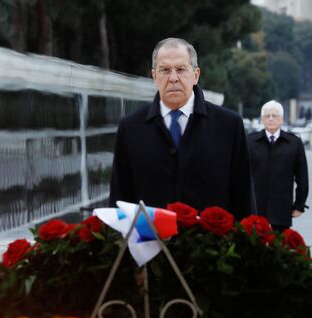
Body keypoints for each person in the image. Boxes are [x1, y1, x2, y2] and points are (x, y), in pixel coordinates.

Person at [109, 37, 253, 219]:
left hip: (213, 245)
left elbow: (244, 196)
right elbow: (120, 199)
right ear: (154, 76)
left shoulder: (229, 126)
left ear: (196, 74)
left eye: (181, 69)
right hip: (151, 244)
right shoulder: (130, 128)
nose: (173, 78)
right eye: (165, 70)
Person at [247, 100, 308, 232]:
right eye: (267, 116)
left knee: (278, 248)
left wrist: (299, 205)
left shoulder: (294, 143)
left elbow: (302, 177)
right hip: (255, 209)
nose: (271, 119)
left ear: (281, 119)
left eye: (275, 115)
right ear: (262, 119)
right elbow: (241, 175)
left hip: (282, 210)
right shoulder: (250, 142)